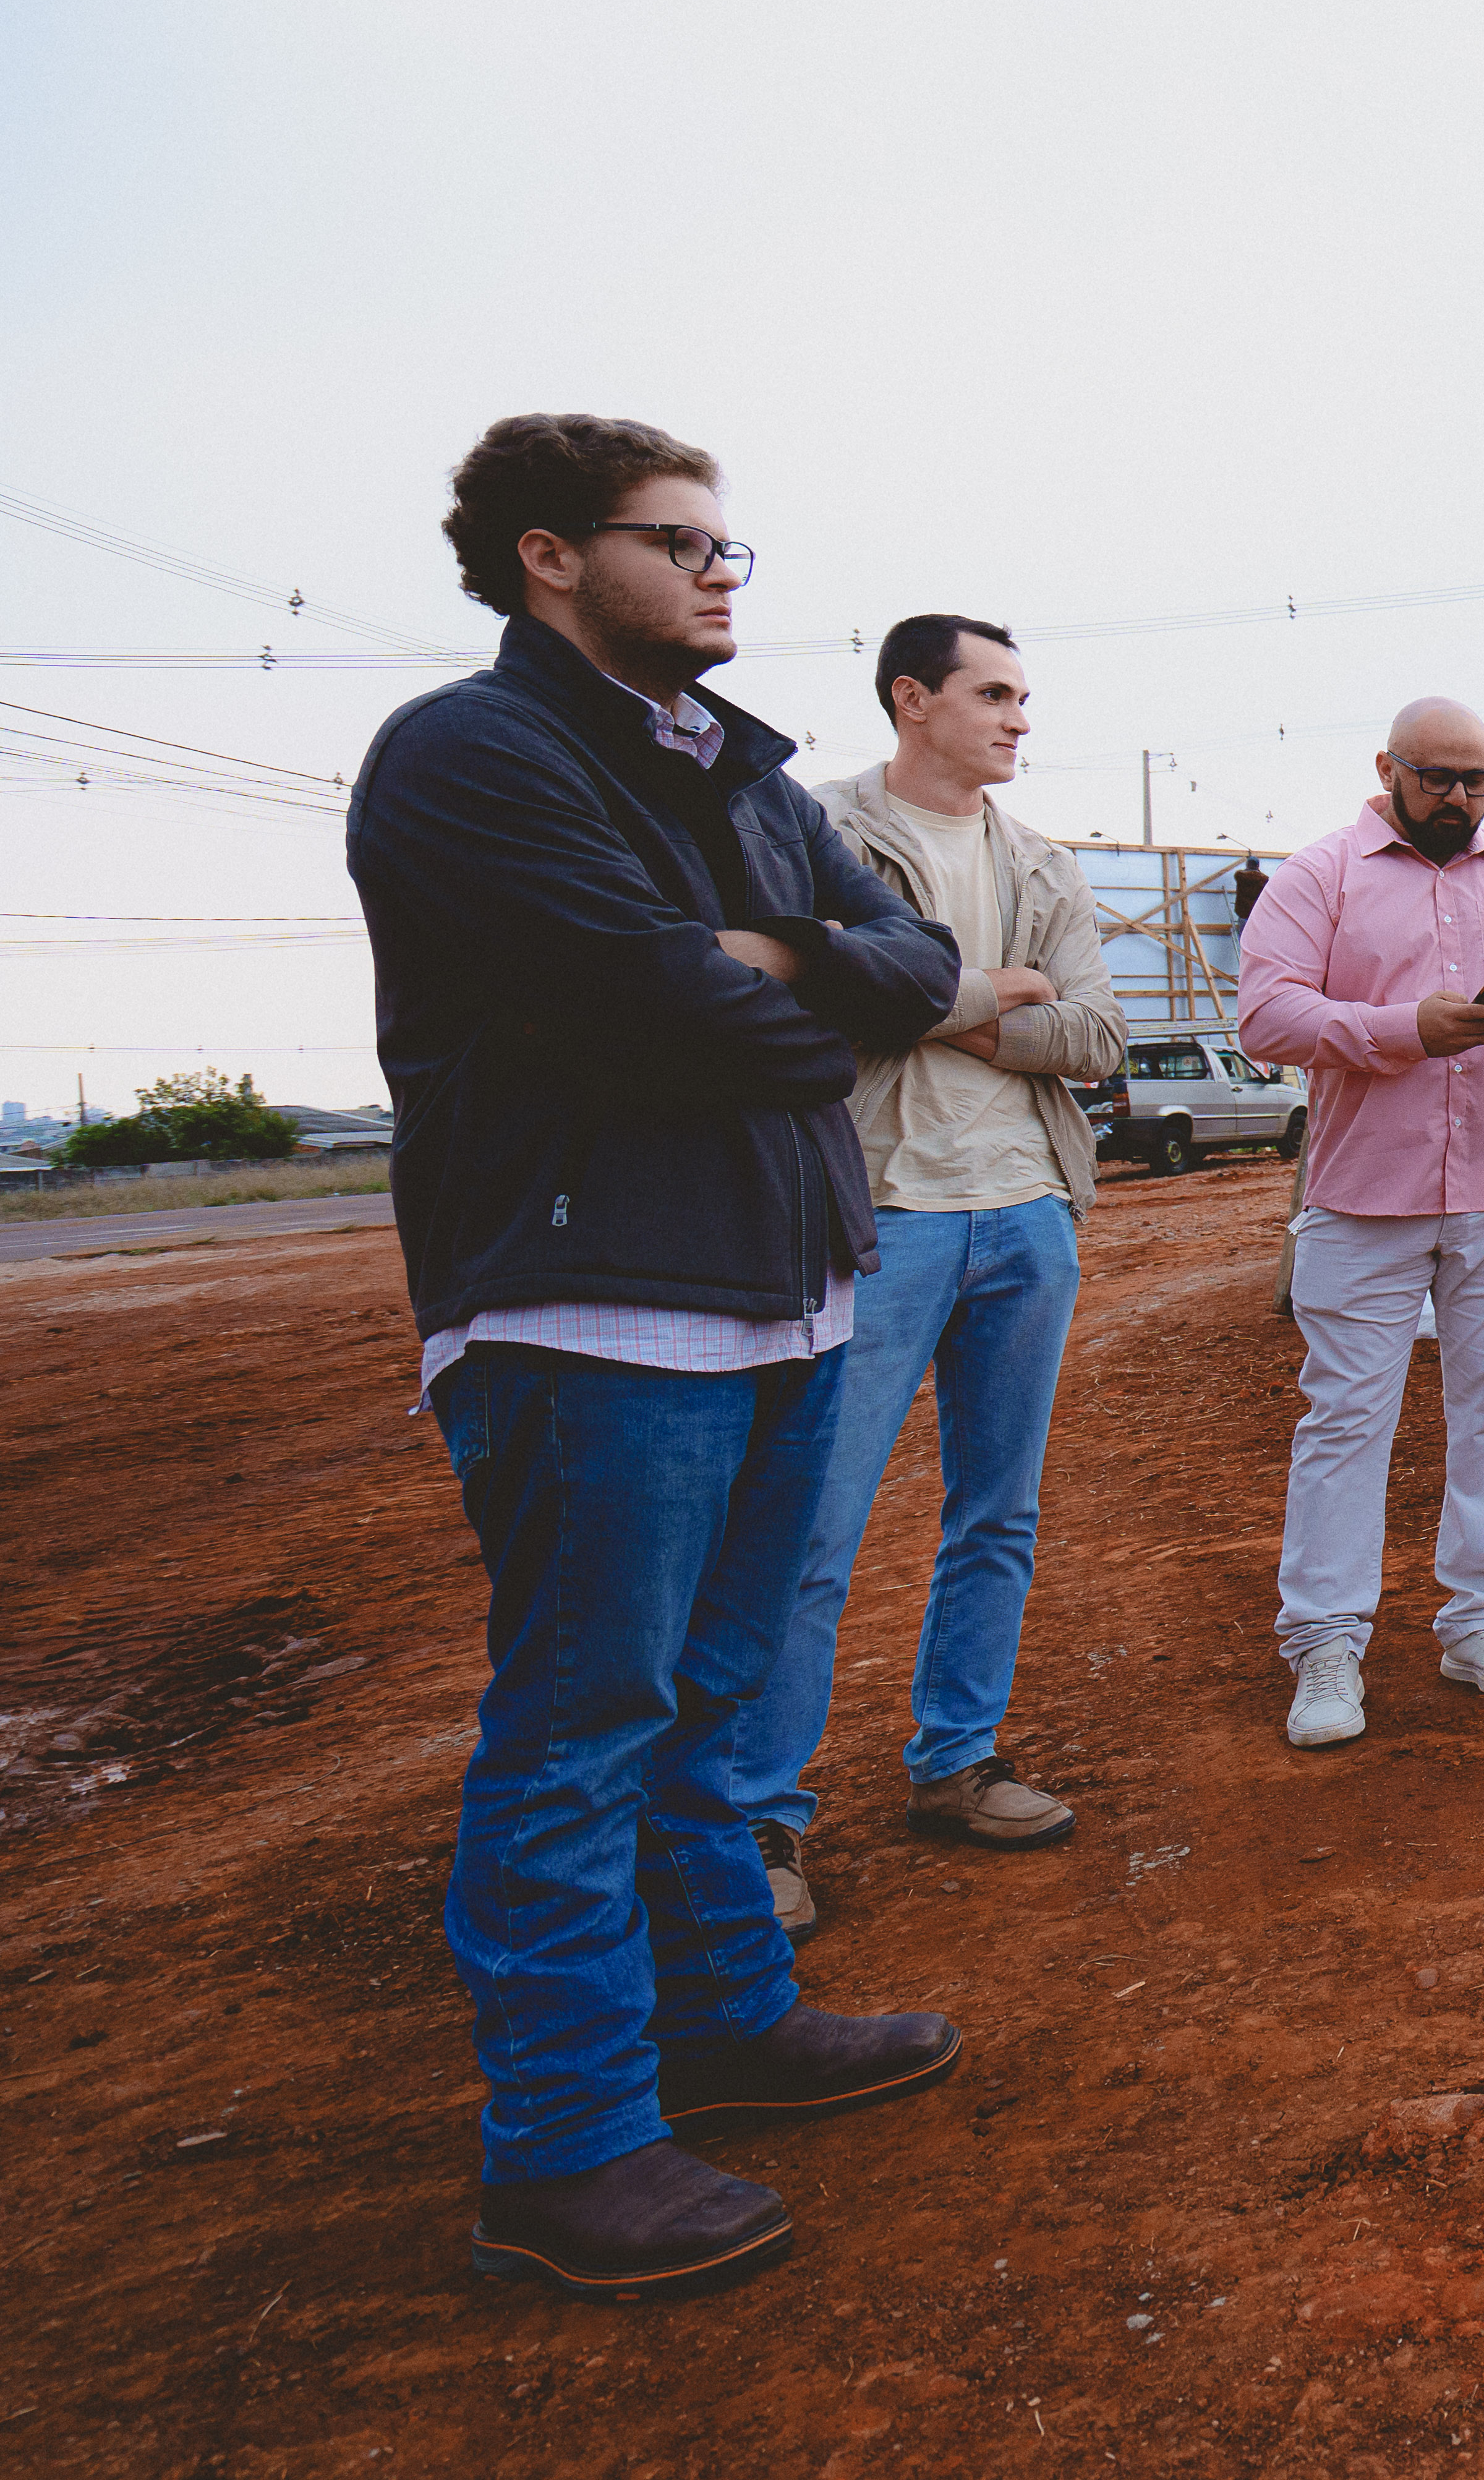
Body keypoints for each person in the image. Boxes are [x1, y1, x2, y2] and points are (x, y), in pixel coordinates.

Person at [348, 413, 968, 2301]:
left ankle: (724, 2020)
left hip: (780, 1290)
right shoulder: (470, 756)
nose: (720, 570)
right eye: (678, 539)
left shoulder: (749, 781)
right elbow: (670, 1007)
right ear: (549, 555)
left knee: (710, 1700)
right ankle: (564, 2143)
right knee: (581, 1729)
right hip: (586, 1306)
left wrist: (759, 963)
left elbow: (917, 971)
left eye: (729, 545)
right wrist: (791, 976)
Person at [728, 615, 1130, 1939]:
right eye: (995, 692)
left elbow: (1095, 1035)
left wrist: (938, 997)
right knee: (807, 1533)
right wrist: (978, 996)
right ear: (913, 697)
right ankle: (760, 1813)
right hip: (877, 1214)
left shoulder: (1041, 862)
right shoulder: (815, 831)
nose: (1020, 718)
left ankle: (957, 1760)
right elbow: (807, 1003)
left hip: (1027, 1216)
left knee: (998, 1514)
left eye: (1024, 695)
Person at [1235, 696, 1484, 1747]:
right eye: (1439, 780)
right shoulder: (1320, 874)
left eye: (1478, 781)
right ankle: (1325, 1644)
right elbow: (1266, 1015)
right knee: (1344, 1422)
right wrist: (1398, 1030)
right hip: (1363, 1195)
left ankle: (1479, 1621)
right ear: (1388, 769)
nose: (1460, 800)